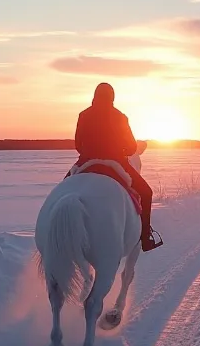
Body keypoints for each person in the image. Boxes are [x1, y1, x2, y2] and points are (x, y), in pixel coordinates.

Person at [68, 82, 163, 252]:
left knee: (63, 188)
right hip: (116, 163)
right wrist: (122, 149)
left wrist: (89, 151)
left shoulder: (84, 115)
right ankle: (146, 236)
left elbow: (78, 144)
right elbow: (133, 148)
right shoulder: (120, 117)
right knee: (146, 193)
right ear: (112, 97)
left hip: (85, 162)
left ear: (95, 96)